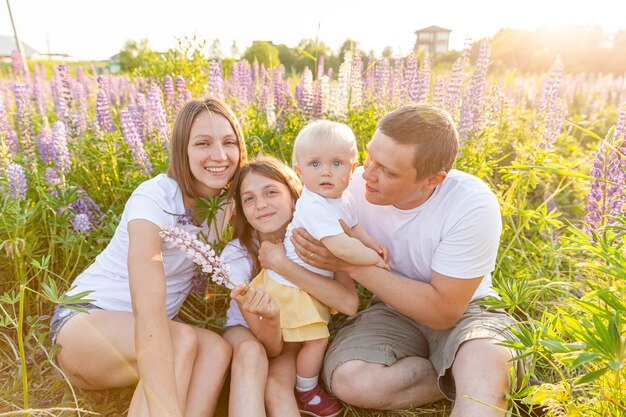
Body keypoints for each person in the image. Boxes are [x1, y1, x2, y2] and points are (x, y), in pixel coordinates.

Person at [290, 104, 527, 417]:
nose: (367, 174)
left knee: (484, 368)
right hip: (391, 308)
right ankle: (454, 373)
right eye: (370, 156)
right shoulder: (350, 185)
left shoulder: (471, 203)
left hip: (467, 311)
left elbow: (444, 311)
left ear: (433, 180)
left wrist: (347, 264)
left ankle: (475, 374)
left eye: (387, 170)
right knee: (350, 380)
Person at [50, 98, 246, 417]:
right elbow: (149, 309)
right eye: (203, 143)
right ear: (182, 149)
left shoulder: (229, 203)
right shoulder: (153, 199)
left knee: (216, 349)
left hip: (133, 346)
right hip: (83, 325)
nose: (220, 155)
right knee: (180, 339)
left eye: (229, 142)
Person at [221, 156, 360, 417]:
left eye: (271, 192)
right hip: (252, 332)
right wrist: (272, 317)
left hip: (295, 338)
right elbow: (269, 345)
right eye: (248, 198)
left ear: (295, 197)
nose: (261, 204)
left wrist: (282, 265)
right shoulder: (236, 256)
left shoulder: (320, 239)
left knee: (276, 386)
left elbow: (349, 304)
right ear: (241, 209)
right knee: (257, 358)